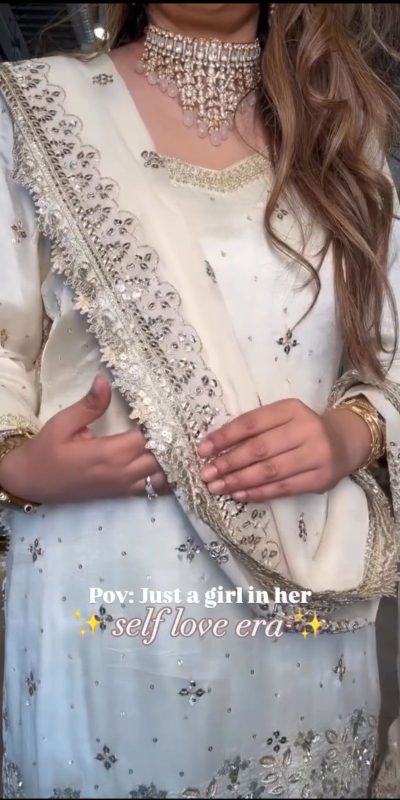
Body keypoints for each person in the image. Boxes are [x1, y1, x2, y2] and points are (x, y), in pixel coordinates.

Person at [0, 3, 400, 797]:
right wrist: (17, 462)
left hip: (302, 605)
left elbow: (387, 352)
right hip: (99, 605)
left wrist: (351, 432)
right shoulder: (35, 105)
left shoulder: (341, 135)